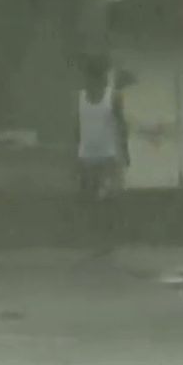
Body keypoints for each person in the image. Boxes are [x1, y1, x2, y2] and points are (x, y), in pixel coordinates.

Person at [76, 55, 129, 249]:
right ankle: (96, 240)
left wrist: (125, 151)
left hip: (108, 156)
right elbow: (76, 128)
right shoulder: (80, 97)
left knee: (108, 200)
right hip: (87, 156)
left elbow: (122, 126)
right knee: (91, 200)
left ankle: (108, 239)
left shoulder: (113, 97)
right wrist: (74, 155)